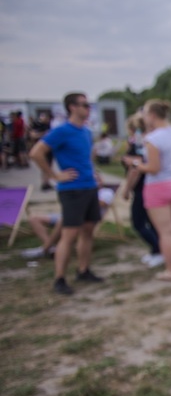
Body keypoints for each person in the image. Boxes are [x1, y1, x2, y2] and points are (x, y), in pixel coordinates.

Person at [29, 92, 106, 295]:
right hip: (71, 190)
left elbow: (86, 159)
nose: (88, 108)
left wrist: (95, 175)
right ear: (72, 107)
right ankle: (60, 278)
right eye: (84, 105)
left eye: (88, 105)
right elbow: (36, 152)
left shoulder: (86, 132)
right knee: (68, 234)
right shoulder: (62, 131)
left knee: (88, 231)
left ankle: (83, 270)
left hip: (89, 187)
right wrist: (54, 175)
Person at [128, 99, 171, 281]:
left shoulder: (153, 139)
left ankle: (170, 270)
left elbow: (154, 168)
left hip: (158, 186)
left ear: (152, 116)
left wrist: (135, 164)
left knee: (165, 232)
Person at [21, 187, 115, 259]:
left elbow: (100, 204)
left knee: (63, 221)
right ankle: (50, 248)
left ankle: (44, 249)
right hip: (67, 214)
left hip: (84, 219)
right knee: (34, 218)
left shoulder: (106, 192)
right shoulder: (81, 190)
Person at [121, 114, 163, 268]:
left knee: (138, 222)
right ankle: (156, 249)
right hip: (151, 186)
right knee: (151, 222)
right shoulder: (148, 141)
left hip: (142, 188)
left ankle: (159, 249)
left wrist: (127, 189)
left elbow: (135, 170)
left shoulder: (138, 144)